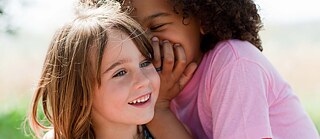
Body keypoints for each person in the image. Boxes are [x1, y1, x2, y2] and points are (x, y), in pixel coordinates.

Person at [105, 0, 319, 138]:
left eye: (158, 27)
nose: (146, 42)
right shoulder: (156, 83)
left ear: (204, 21)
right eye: (132, 32)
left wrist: (159, 109)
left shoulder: (235, 64)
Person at [27, 2, 167, 138]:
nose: (143, 80)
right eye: (120, 73)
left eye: (144, 63)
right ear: (80, 93)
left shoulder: (169, 131)